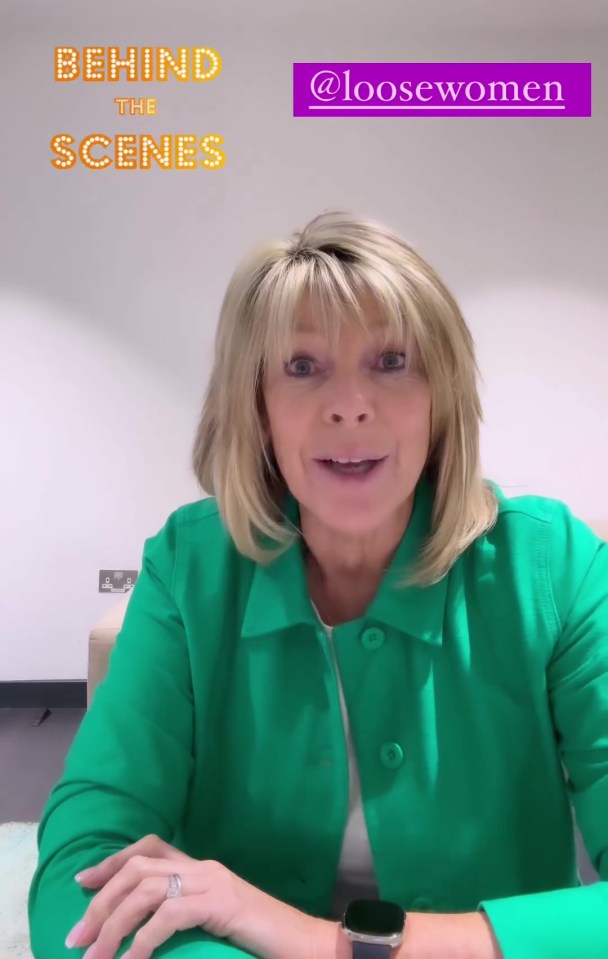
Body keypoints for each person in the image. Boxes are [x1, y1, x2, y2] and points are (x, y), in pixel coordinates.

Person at [28, 210, 607, 959]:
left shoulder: (552, 564)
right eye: (302, 367)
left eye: (391, 361)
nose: (349, 404)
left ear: (442, 398)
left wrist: (316, 941)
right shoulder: (190, 565)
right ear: (256, 407)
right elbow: (81, 871)